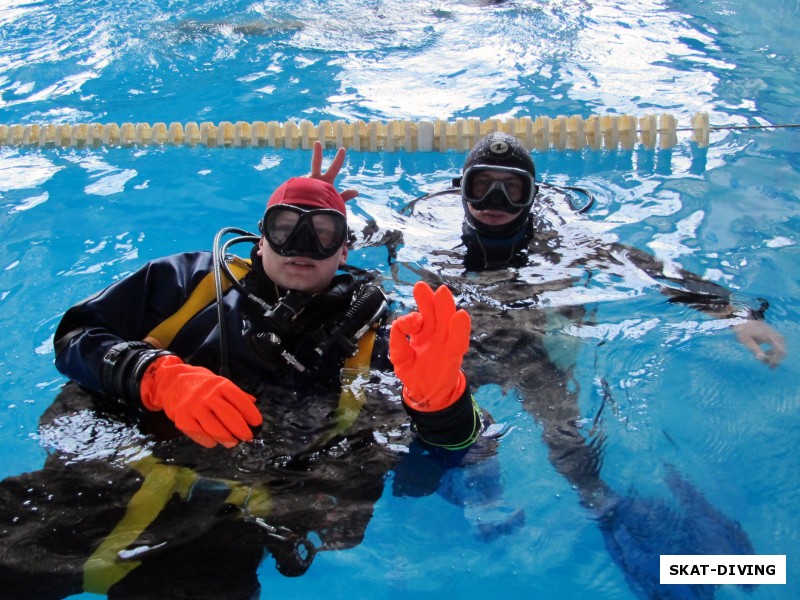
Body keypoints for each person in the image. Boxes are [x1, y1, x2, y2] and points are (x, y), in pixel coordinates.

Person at [0, 169, 505, 599]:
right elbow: (75, 336)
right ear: (260, 237)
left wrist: (441, 401)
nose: (303, 247)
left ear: (346, 250)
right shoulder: (189, 282)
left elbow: (451, 454)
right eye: (287, 229)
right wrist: (157, 375)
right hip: (89, 481)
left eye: (324, 233)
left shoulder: (379, 341)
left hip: (226, 530)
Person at [355, 133, 785, 600]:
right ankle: (481, 504)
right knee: (406, 428)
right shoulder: (425, 235)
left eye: (512, 189)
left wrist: (735, 312)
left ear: (532, 197)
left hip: (535, 354)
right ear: (462, 190)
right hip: (458, 356)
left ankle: (672, 547)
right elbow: (334, 245)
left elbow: (642, 265)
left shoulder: (563, 242)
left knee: (571, 451)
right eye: (483, 186)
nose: (495, 201)